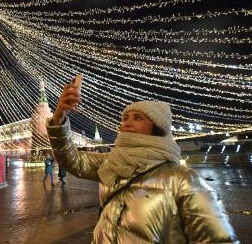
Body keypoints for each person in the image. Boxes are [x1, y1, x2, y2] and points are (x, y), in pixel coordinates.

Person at [46, 81, 238, 243]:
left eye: (138, 118)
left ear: (157, 127)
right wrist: (59, 116)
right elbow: (71, 160)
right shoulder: (111, 163)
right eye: (125, 118)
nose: (127, 123)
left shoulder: (183, 180)